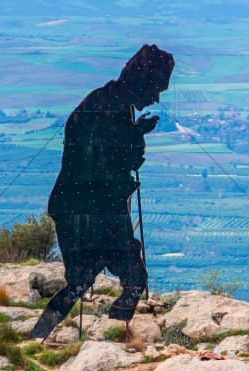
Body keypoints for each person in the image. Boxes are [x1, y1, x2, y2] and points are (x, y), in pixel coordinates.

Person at [30, 44, 175, 341]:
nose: (155, 98)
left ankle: (41, 337)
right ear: (140, 81)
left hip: (86, 205)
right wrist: (136, 137)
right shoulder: (109, 110)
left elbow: (108, 153)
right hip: (92, 209)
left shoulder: (106, 104)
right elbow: (111, 160)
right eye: (155, 89)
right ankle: (113, 338)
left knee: (83, 282)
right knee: (128, 278)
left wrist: (135, 134)